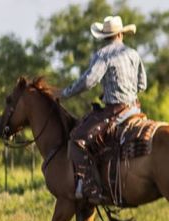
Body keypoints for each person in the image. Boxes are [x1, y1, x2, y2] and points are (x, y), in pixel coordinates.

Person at [61, 16, 146, 202]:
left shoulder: (104, 54)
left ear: (105, 36)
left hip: (115, 111)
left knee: (77, 139)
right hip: (134, 109)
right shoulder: (133, 53)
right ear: (121, 34)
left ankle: (92, 189)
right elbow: (142, 84)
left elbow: (88, 81)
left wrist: (65, 93)